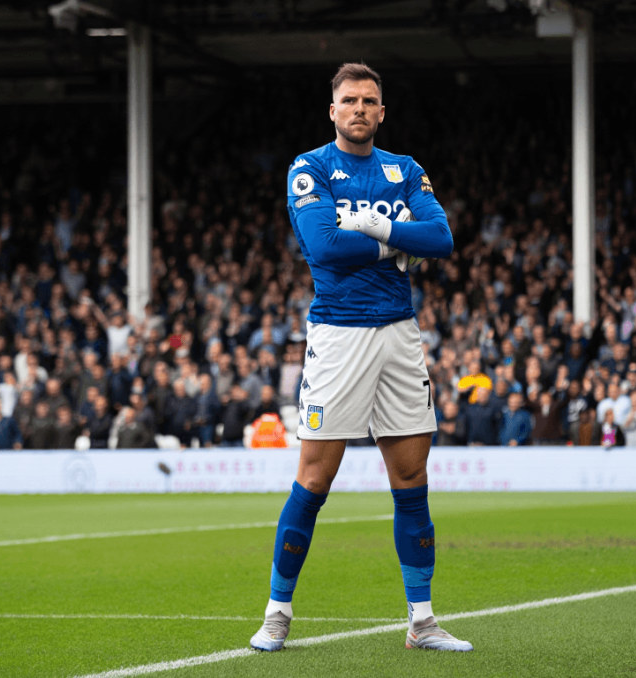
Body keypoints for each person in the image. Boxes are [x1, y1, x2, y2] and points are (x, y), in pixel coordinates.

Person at [250, 63, 468, 653]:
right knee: (315, 480)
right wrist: (394, 234)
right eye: (349, 101)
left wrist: (366, 226)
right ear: (333, 111)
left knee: (411, 479)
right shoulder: (310, 167)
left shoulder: (406, 169)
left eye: (370, 101)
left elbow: (443, 240)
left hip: (399, 336)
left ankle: (422, 622)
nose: (360, 109)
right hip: (339, 337)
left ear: (381, 111)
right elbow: (323, 245)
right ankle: (277, 612)